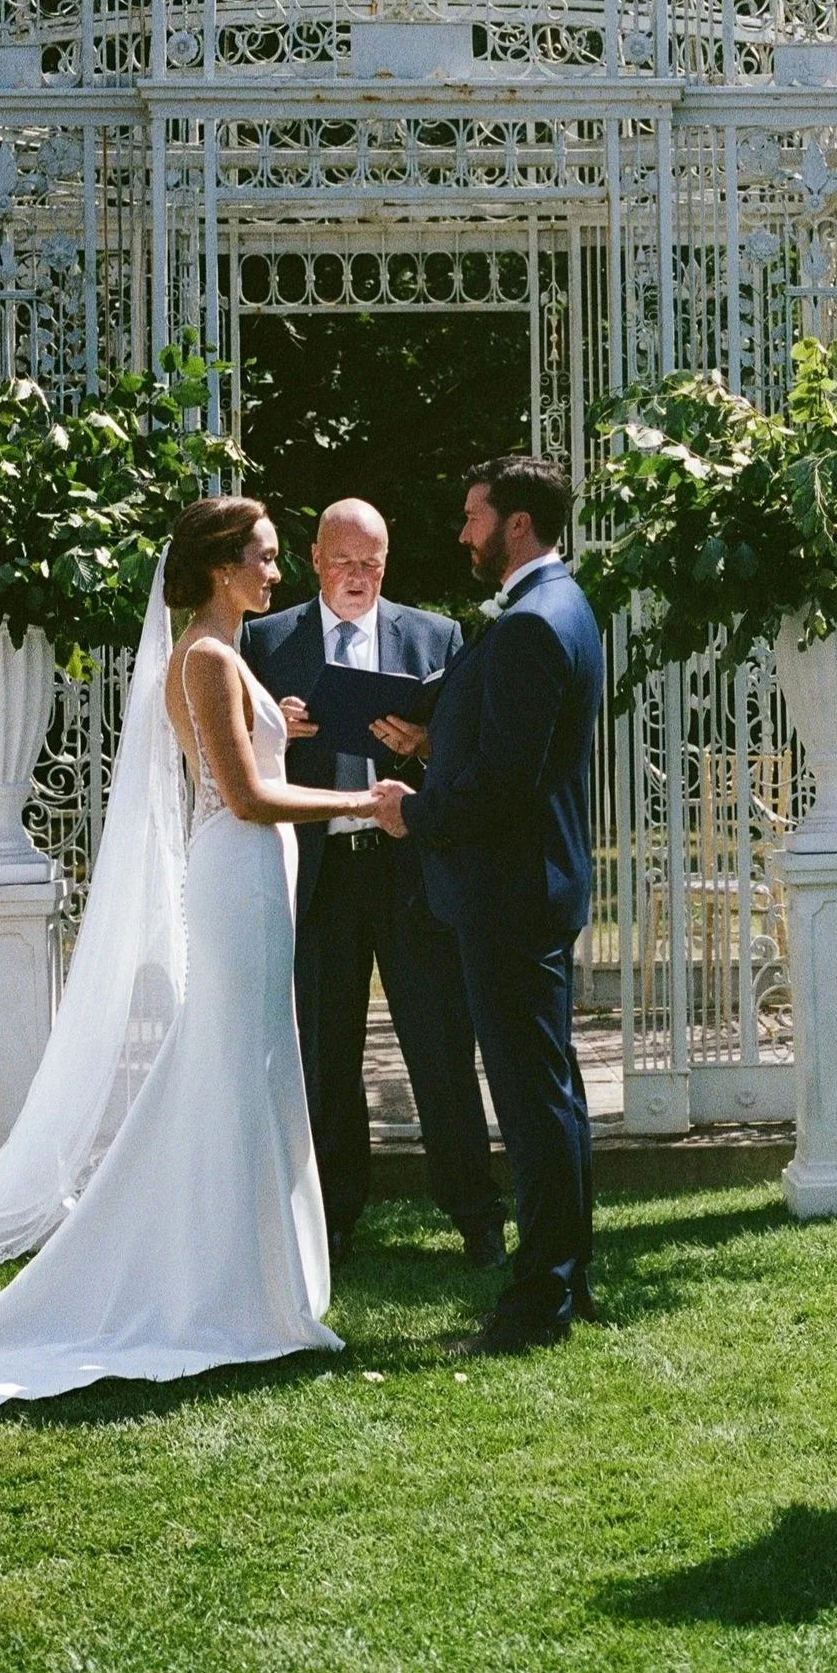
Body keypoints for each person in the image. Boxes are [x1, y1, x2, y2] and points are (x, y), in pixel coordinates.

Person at [0, 496, 408, 1409]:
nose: (276, 572)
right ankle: (220, 1284)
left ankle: (256, 1279)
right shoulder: (203, 657)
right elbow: (245, 796)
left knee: (249, 1067)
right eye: (263, 555)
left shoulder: (224, 655)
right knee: (226, 1069)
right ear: (218, 564)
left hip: (251, 880)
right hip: (236, 871)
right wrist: (365, 803)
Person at [373, 456, 603, 1355]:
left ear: (515, 524)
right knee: (552, 1095)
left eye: (472, 516)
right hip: (529, 882)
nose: (461, 532)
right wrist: (437, 741)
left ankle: (539, 1300)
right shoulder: (561, 607)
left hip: (508, 890)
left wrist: (413, 809)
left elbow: (507, 785)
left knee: (533, 1099)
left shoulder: (529, 626)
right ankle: (564, 1280)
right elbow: (514, 749)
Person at [243, 499, 505, 1270]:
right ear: (316, 559)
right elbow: (233, 762)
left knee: (440, 1045)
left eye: (372, 565)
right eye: (345, 562)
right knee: (326, 1054)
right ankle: (335, 1219)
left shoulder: (435, 636)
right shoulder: (265, 639)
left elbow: (463, 758)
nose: (358, 578)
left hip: (406, 864)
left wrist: (424, 744)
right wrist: (276, 731)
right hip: (321, 869)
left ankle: (475, 1215)